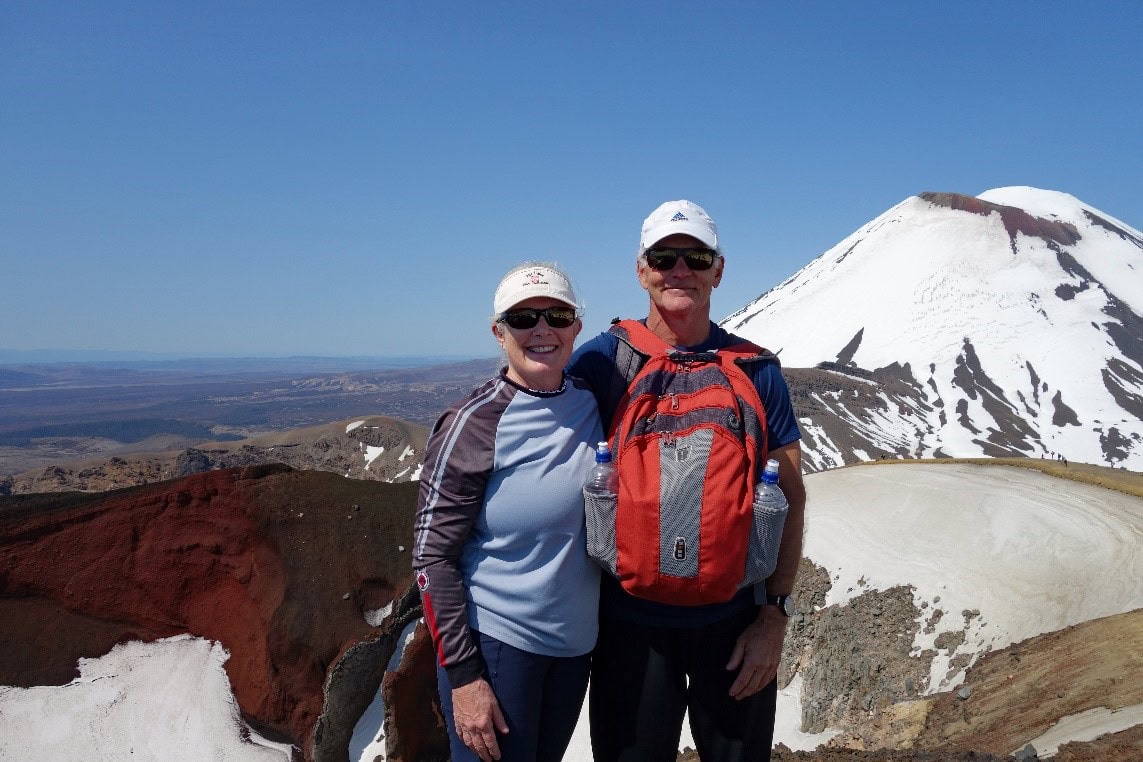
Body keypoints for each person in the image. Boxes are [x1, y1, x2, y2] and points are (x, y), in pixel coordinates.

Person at [569, 200, 807, 762]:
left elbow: (790, 494)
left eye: (696, 257)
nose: (681, 269)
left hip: (734, 625)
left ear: (718, 271)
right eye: (665, 257)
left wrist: (773, 617)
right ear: (642, 268)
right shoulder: (600, 365)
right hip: (627, 624)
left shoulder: (756, 370)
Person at [412, 262, 603, 762]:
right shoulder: (474, 424)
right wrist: (463, 676)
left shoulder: (591, 401)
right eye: (523, 319)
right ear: (499, 333)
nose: (542, 329)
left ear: (577, 327)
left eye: (557, 315)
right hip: (499, 648)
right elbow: (432, 559)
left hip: (573, 649)